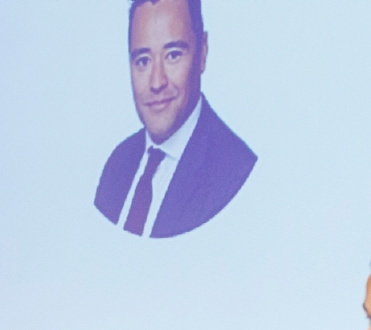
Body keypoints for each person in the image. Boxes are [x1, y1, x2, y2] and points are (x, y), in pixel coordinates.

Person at [93, 0, 255, 240]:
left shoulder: (235, 173)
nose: (157, 82)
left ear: (202, 53)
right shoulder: (118, 164)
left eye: (173, 55)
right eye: (143, 61)